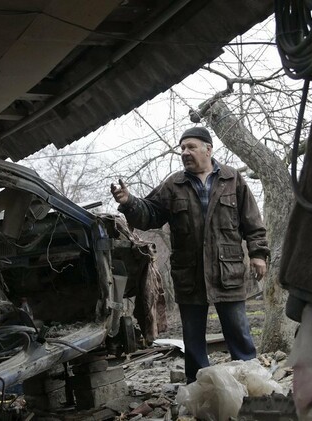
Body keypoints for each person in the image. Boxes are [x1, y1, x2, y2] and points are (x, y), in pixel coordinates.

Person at [110, 126, 269, 383]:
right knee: (193, 341)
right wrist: (129, 202)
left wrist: (258, 254)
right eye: (182, 148)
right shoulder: (174, 184)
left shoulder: (232, 180)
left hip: (226, 271)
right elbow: (150, 214)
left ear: (208, 149)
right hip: (189, 274)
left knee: (239, 334)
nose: (185, 152)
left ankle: (251, 384)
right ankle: (199, 390)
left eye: (191, 147)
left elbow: (253, 221)